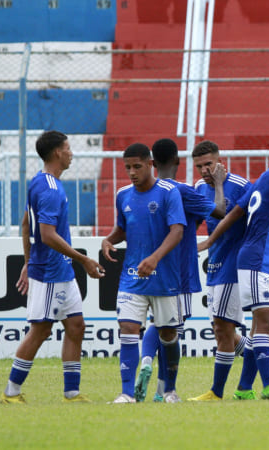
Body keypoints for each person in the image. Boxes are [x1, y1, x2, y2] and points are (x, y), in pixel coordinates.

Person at [0, 130, 105, 404]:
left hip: (61, 271)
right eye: (68, 148)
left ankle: (71, 393)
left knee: (76, 325)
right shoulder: (49, 189)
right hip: (49, 273)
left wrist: (27, 261)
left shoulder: (41, 182)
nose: (72, 153)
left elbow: (26, 224)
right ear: (58, 152)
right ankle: (11, 392)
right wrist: (83, 259)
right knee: (41, 330)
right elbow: (45, 234)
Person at [197, 133, 269, 400]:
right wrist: (209, 241)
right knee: (240, 327)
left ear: (220, 161)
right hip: (250, 260)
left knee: (244, 328)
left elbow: (241, 214)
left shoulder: (250, 182)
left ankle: (242, 387)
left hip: (247, 260)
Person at [132, 138, 226, 402]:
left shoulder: (145, 190)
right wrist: (218, 184)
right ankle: (167, 391)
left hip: (149, 266)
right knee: (171, 327)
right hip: (178, 269)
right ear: (178, 161)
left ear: (152, 163)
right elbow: (220, 210)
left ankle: (149, 362)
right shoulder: (182, 191)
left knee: (160, 324)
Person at [102, 143, 187, 404]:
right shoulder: (123, 195)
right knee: (127, 328)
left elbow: (177, 231)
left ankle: (169, 391)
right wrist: (109, 239)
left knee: (168, 334)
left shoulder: (169, 192)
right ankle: (127, 393)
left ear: (150, 164)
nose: (131, 172)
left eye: (137, 166)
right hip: (132, 276)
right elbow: (124, 228)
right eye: (127, 167)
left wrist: (155, 257)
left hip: (165, 277)